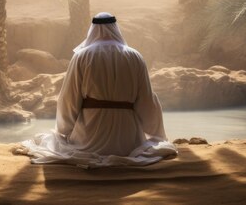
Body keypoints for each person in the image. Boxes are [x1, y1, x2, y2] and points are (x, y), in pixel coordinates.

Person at [17, 12, 177, 168]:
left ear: (92, 29)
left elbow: (69, 98)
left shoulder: (82, 56)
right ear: (116, 28)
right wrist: (155, 132)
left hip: (89, 137)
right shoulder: (135, 56)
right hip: (128, 141)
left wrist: (64, 129)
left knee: (56, 142)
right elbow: (147, 100)